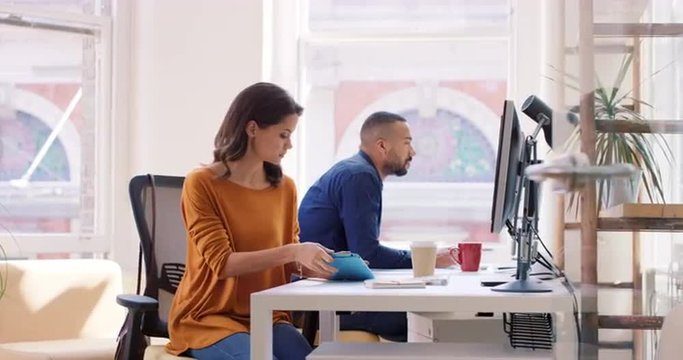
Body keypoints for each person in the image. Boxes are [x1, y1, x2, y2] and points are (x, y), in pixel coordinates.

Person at [165, 82, 336, 360]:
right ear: (252, 128)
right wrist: (294, 250)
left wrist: (328, 265)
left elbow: (287, 258)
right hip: (208, 319)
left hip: (266, 316)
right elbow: (222, 264)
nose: (289, 145)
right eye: (283, 134)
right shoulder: (201, 183)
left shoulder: (285, 189)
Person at [297, 111, 458, 342]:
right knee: (429, 316)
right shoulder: (359, 176)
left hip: (331, 292)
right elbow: (368, 254)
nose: (412, 152)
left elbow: (363, 251)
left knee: (429, 310)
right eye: (407, 143)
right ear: (382, 146)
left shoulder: (358, 171)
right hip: (320, 304)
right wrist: (430, 259)